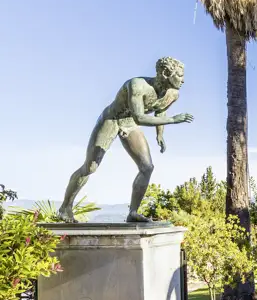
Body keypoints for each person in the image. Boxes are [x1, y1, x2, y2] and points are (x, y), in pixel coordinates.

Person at [58, 57, 193, 223]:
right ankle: (65, 207)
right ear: (166, 73)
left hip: (130, 124)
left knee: (147, 168)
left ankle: (133, 212)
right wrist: (173, 120)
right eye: (179, 75)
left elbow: (160, 110)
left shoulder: (173, 94)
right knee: (90, 167)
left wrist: (160, 134)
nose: (183, 80)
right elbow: (139, 118)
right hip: (112, 119)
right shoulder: (137, 85)